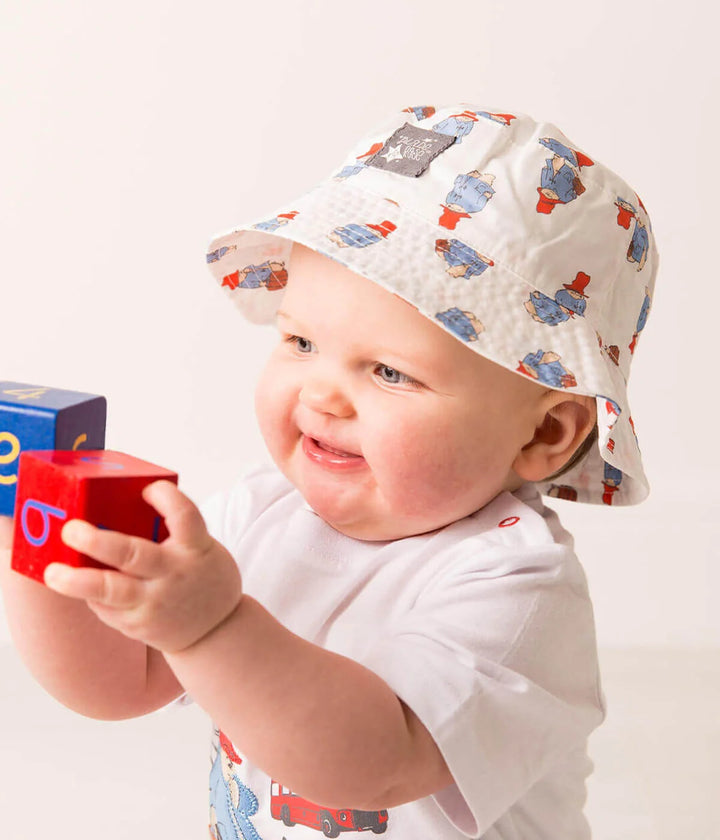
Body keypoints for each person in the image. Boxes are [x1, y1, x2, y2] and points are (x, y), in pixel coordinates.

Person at [0, 103, 659, 839]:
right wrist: (35, 548)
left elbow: (374, 763)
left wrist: (212, 629)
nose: (320, 393)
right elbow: (121, 683)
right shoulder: (258, 512)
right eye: (302, 341)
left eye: (388, 371)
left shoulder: (516, 591)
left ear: (543, 432)